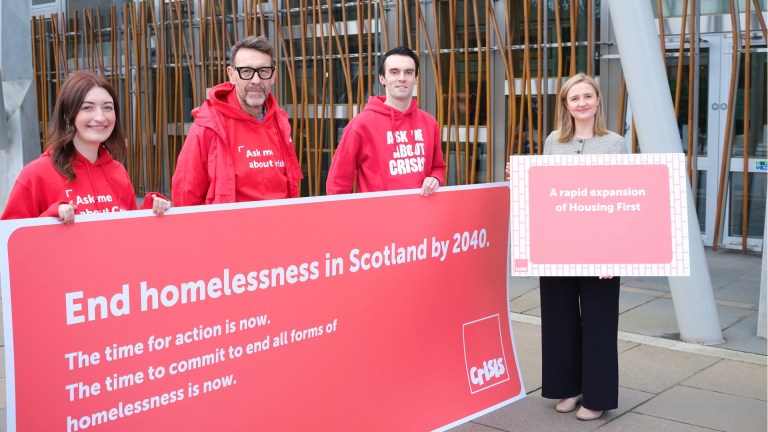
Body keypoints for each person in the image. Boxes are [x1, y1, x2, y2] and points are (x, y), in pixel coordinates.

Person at [507, 73, 626, 420]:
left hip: (601, 248)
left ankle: (597, 395)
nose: (582, 103)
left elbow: (623, 199)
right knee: (558, 319)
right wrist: (521, 179)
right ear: (566, 104)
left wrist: (615, 253)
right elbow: (544, 193)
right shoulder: (553, 142)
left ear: (598, 100)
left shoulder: (615, 143)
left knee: (599, 322)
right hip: (557, 246)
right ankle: (568, 387)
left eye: (588, 96)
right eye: (575, 98)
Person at [1, 70, 170, 224]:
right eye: (87, 108)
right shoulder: (36, 174)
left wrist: (152, 208)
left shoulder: (118, 172)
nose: (100, 117)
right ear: (68, 115)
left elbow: (130, 233)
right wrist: (50, 219)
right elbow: (9, 240)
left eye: (107, 108)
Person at [171, 35, 303, 206]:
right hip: (228, 230)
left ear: (273, 75)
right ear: (232, 75)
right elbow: (186, 195)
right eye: (246, 71)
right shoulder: (208, 127)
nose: (256, 80)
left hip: (279, 228)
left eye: (263, 71)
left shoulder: (280, 121)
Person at [326, 46, 446, 196]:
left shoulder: (429, 123)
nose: (402, 78)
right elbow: (338, 183)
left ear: (416, 79)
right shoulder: (360, 125)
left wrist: (435, 178)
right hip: (377, 216)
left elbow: (438, 167)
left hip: (421, 214)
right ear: (382, 78)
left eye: (408, 72)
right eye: (394, 72)